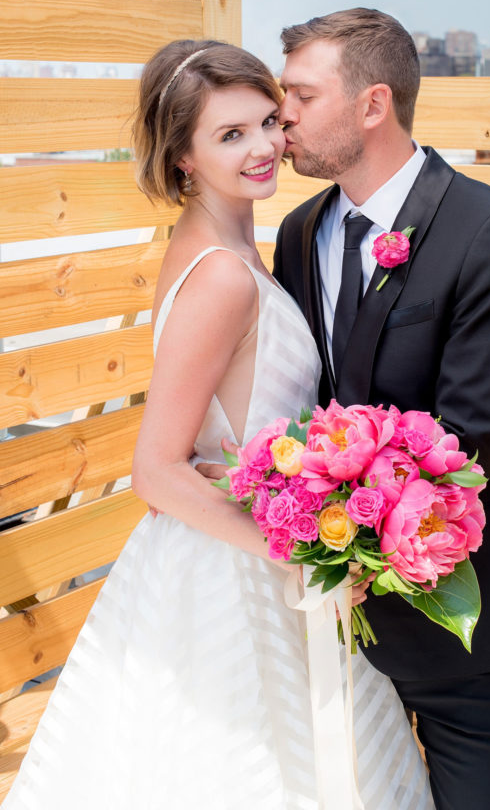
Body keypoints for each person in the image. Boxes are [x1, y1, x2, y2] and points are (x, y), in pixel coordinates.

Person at [4, 39, 433, 810]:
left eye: (269, 121)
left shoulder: (229, 244)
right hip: (235, 567)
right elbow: (156, 469)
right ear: (183, 161)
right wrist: (307, 553)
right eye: (230, 136)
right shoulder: (225, 277)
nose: (266, 147)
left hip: (232, 533)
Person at [271, 8, 490, 810]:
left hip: (465, 630)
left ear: (373, 105)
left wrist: (356, 551)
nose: (280, 113)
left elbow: (472, 441)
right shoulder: (299, 233)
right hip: (337, 633)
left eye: (299, 93)